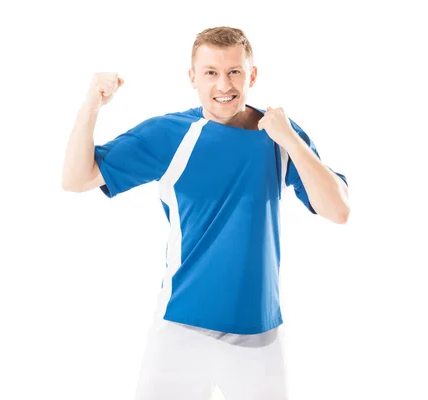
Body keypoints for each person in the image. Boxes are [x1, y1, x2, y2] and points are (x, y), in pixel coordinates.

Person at [62, 26, 350, 400]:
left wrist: (291, 139)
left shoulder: (279, 135)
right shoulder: (170, 134)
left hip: (258, 333)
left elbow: (339, 210)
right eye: (211, 72)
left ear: (252, 75)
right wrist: (90, 107)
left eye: (234, 72)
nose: (223, 85)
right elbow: (76, 179)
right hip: (181, 328)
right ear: (192, 77)